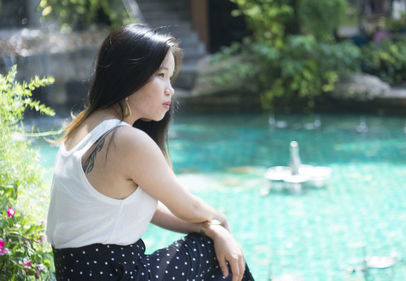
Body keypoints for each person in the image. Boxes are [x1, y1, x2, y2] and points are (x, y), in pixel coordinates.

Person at [45, 23, 254, 281]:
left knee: (212, 244)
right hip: (115, 275)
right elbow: (189, 206)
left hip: (84, 273)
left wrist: (210, 229)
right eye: (160, 75)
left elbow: (151, 210)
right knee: (212, 255)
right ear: (130, 74)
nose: (170, 89)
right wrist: (220, 223)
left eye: (170, 77)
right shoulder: (123, 140)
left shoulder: (85, 126)